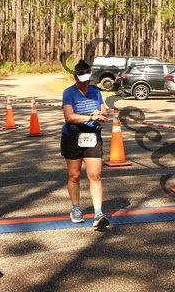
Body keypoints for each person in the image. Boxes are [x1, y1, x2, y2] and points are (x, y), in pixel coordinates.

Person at [61, 59, 110, 229]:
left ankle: (98, 213)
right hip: (72, 137)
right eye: (82, 81)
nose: (85, 83)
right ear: (75, 78)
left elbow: (104, 113)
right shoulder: (69, 93)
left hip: (92, 137)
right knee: (74, 176)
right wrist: (90, 117)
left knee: (95, 175)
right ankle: (75, 208)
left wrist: (101, 114)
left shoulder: (96, 92)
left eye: (87, 80)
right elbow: (69, 117)